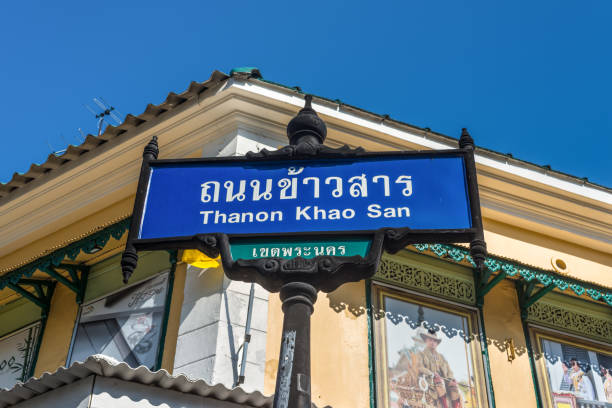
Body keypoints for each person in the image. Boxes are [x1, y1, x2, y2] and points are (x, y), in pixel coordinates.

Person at [415, 325, 463, 408]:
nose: (432, 342)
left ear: (437, 343)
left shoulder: (441, 357)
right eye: (430, 340)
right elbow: (420, 367)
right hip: (429, 380)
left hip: (444, 380)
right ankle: (445, 406)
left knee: (454, 387)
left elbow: (449, 371)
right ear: (426, 341)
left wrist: (451, 379)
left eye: (434, 341)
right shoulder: (421, 354)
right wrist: (431, 373)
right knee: (439, 383)